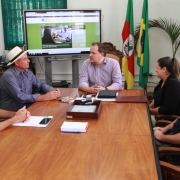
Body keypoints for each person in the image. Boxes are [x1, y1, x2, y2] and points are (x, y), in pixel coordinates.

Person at [0, 46, 61, 111]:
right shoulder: (8, 76)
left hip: (27, 107)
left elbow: (40, 85)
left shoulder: (27, 72)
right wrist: (44, 97)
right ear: (17, 63)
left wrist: (51, 91)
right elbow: (20, 97)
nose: (28, 61)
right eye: (25, 59)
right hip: (12, 112)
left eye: (27, 58)